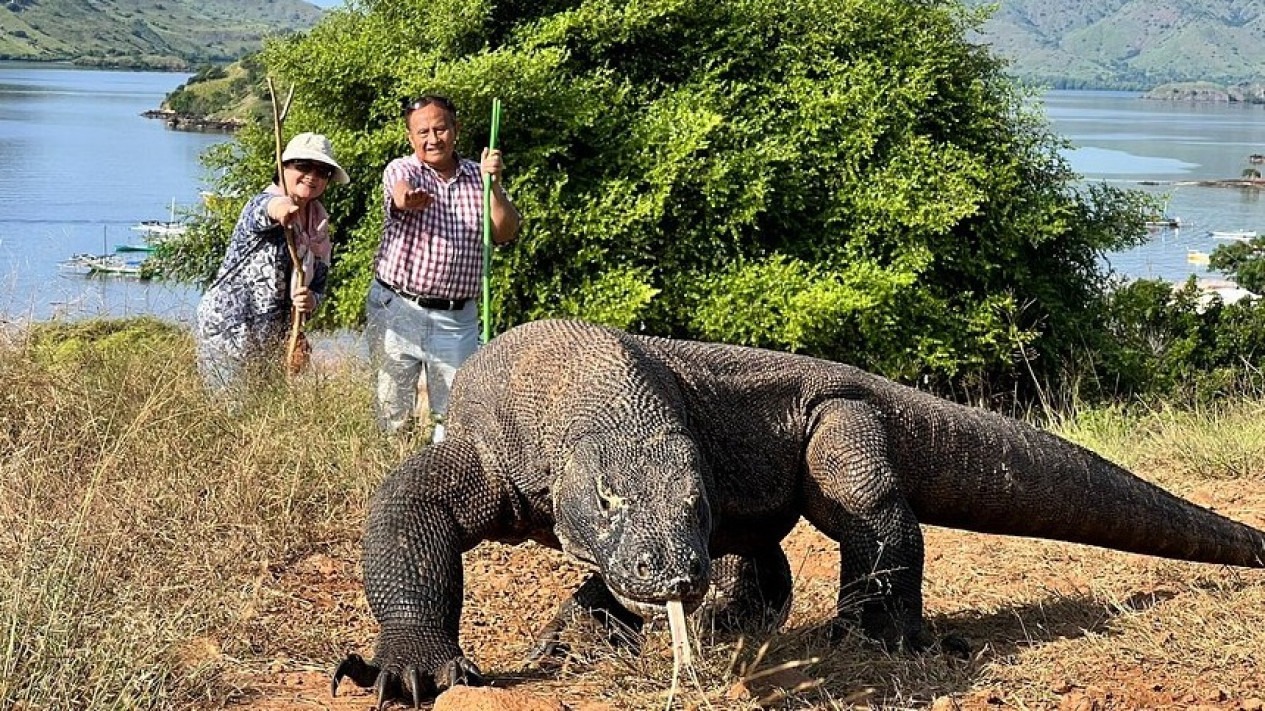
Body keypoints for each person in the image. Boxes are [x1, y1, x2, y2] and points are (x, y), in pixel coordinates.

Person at [367, 95, 521, 440]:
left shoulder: (477, 177)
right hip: (398, 308)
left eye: (440, 129)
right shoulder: (403, 168)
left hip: (456, 318)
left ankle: (441, 484)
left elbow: (505, 231)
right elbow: (400, 192)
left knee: (454, 418)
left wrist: (494, 184)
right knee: (391, 411)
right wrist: (409, 199)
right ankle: (388, 475)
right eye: (423, 132)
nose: (432, 139)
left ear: (455, 129)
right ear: (410, 138)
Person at [195, 131, 349, 394]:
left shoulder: (318, 227)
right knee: (232, 415)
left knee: (261, 416)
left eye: (322, 171)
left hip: (271, 342)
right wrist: (284, 211)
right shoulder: (264, 201)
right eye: (303, 166)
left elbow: (320, 286)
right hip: (231, 331)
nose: (312, 175)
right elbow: (267, 209)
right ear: (283, 168)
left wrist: (310, 301)